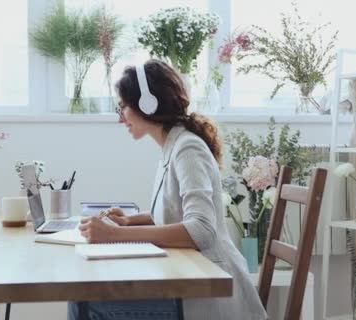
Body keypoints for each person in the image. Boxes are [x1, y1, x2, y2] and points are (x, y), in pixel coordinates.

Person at [68, 59, 267, 320]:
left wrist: (114, 235)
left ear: (147, 104)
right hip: (190, 279)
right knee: (81, 298)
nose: (120, 118)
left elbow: (201, 230)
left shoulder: (187, 149)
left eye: (123, 107)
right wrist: (128, 222)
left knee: (84, 304)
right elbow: (176, 213)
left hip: (209, 294)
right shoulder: (172, 147)